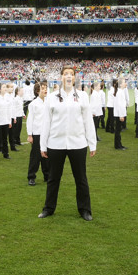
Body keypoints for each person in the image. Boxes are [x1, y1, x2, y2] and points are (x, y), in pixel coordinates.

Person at [38, 66, 97, 221]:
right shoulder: (51, 97)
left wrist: (92, 143)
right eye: (66, 74)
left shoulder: (83, 96)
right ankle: (48, 208)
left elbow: (87, 120)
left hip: (78, 144)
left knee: (81, 179)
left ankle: (85, 210)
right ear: (61, 77)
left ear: (75, 77)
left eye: (71, 74)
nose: (69, 76)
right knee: (53, 178)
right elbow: (46, 122)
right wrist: (43, 145)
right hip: (56, 144)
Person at [26, 81, 49, 186]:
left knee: (47, 156)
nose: (45, 90)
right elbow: (30, 120)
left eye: (46, 88)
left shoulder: (49, 102)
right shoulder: (33, 104)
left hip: (48, 133)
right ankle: (31, 177)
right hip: (37, 133)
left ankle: (47, 175)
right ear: (37, 91)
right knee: (35, 156)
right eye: (43, 88)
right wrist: (30, 135)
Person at [113, 78, 128, 150]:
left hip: (119, 113)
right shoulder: (120, 92)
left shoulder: (120, 91)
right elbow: (120, 105)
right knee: (118, 130)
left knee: (118, 130)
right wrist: (121, 115)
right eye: (125, 82)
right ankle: (117, 145)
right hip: (119, 114)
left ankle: (119, 144)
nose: (126, 84)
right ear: (121, 84)